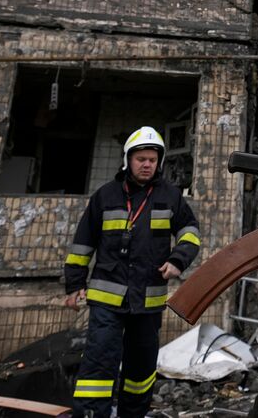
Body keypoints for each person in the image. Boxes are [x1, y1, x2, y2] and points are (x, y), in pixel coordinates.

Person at [64, 126, 202, 418]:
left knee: (141, 369)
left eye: (152, 159)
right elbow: (83, 242)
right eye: (141, 159)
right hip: (106, 300)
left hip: (148, 301)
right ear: (128, 159)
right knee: (98, 365)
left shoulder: (171, 196)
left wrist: (178, 260)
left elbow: (190, 232)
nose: (147, 164)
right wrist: (74, 284)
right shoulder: (105, 196)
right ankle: (91, 414)